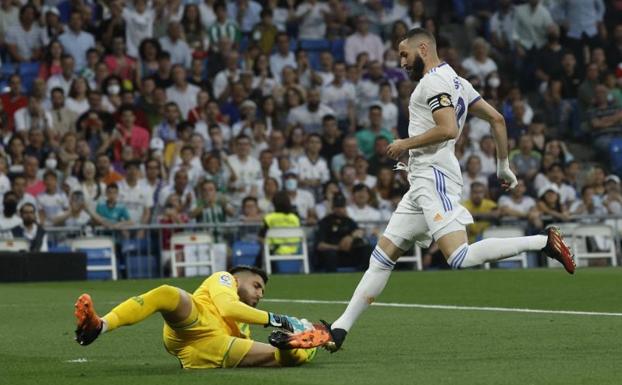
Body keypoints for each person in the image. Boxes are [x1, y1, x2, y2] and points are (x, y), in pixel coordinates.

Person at [274, 28, 575, 353]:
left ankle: (544, 241)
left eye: (404, 55)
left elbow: (446, 129)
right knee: (382, 258)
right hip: (421, 182)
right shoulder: (458, 81)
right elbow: (497, 119)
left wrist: (405, 143)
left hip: (435, 178)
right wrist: (503, 166)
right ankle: (340, 329)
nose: (401, 62)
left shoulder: (432, 83)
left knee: (459, 257)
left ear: (423, 49)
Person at [74, 265, 318, 368]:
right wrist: (278, 319)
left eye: (262, 291)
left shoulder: (245, 324)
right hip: (195, 320)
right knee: (168, 294)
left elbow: (239, 324)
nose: (260, 293)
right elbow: (228, 309)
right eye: (256, 286)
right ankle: (100, 325)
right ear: (239, 277)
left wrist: (288, 333)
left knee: (277, 355)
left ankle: (299, 343)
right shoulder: (225, 278)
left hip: (209, 350)